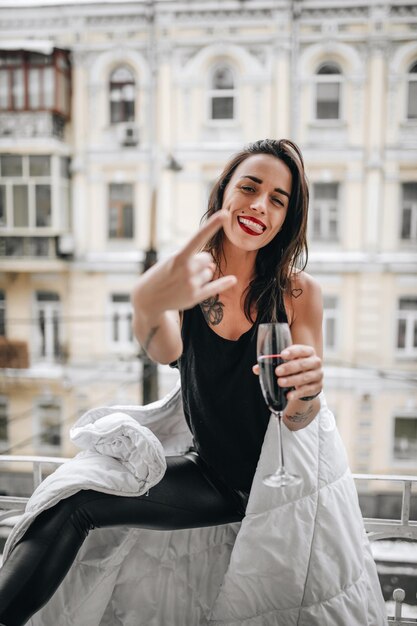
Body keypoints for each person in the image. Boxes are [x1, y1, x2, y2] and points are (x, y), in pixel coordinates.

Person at [0, 138, 323, 626]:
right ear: (224, 195)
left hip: (277, 482)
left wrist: (308, 393)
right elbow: (165, 349)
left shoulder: (299, 293)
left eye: (278, 200)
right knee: (72, 500)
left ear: (286, 218)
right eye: (249, 187)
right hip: (212, 476)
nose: (260, 205)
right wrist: (147, 304)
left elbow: (299, 419)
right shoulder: (189, 279)